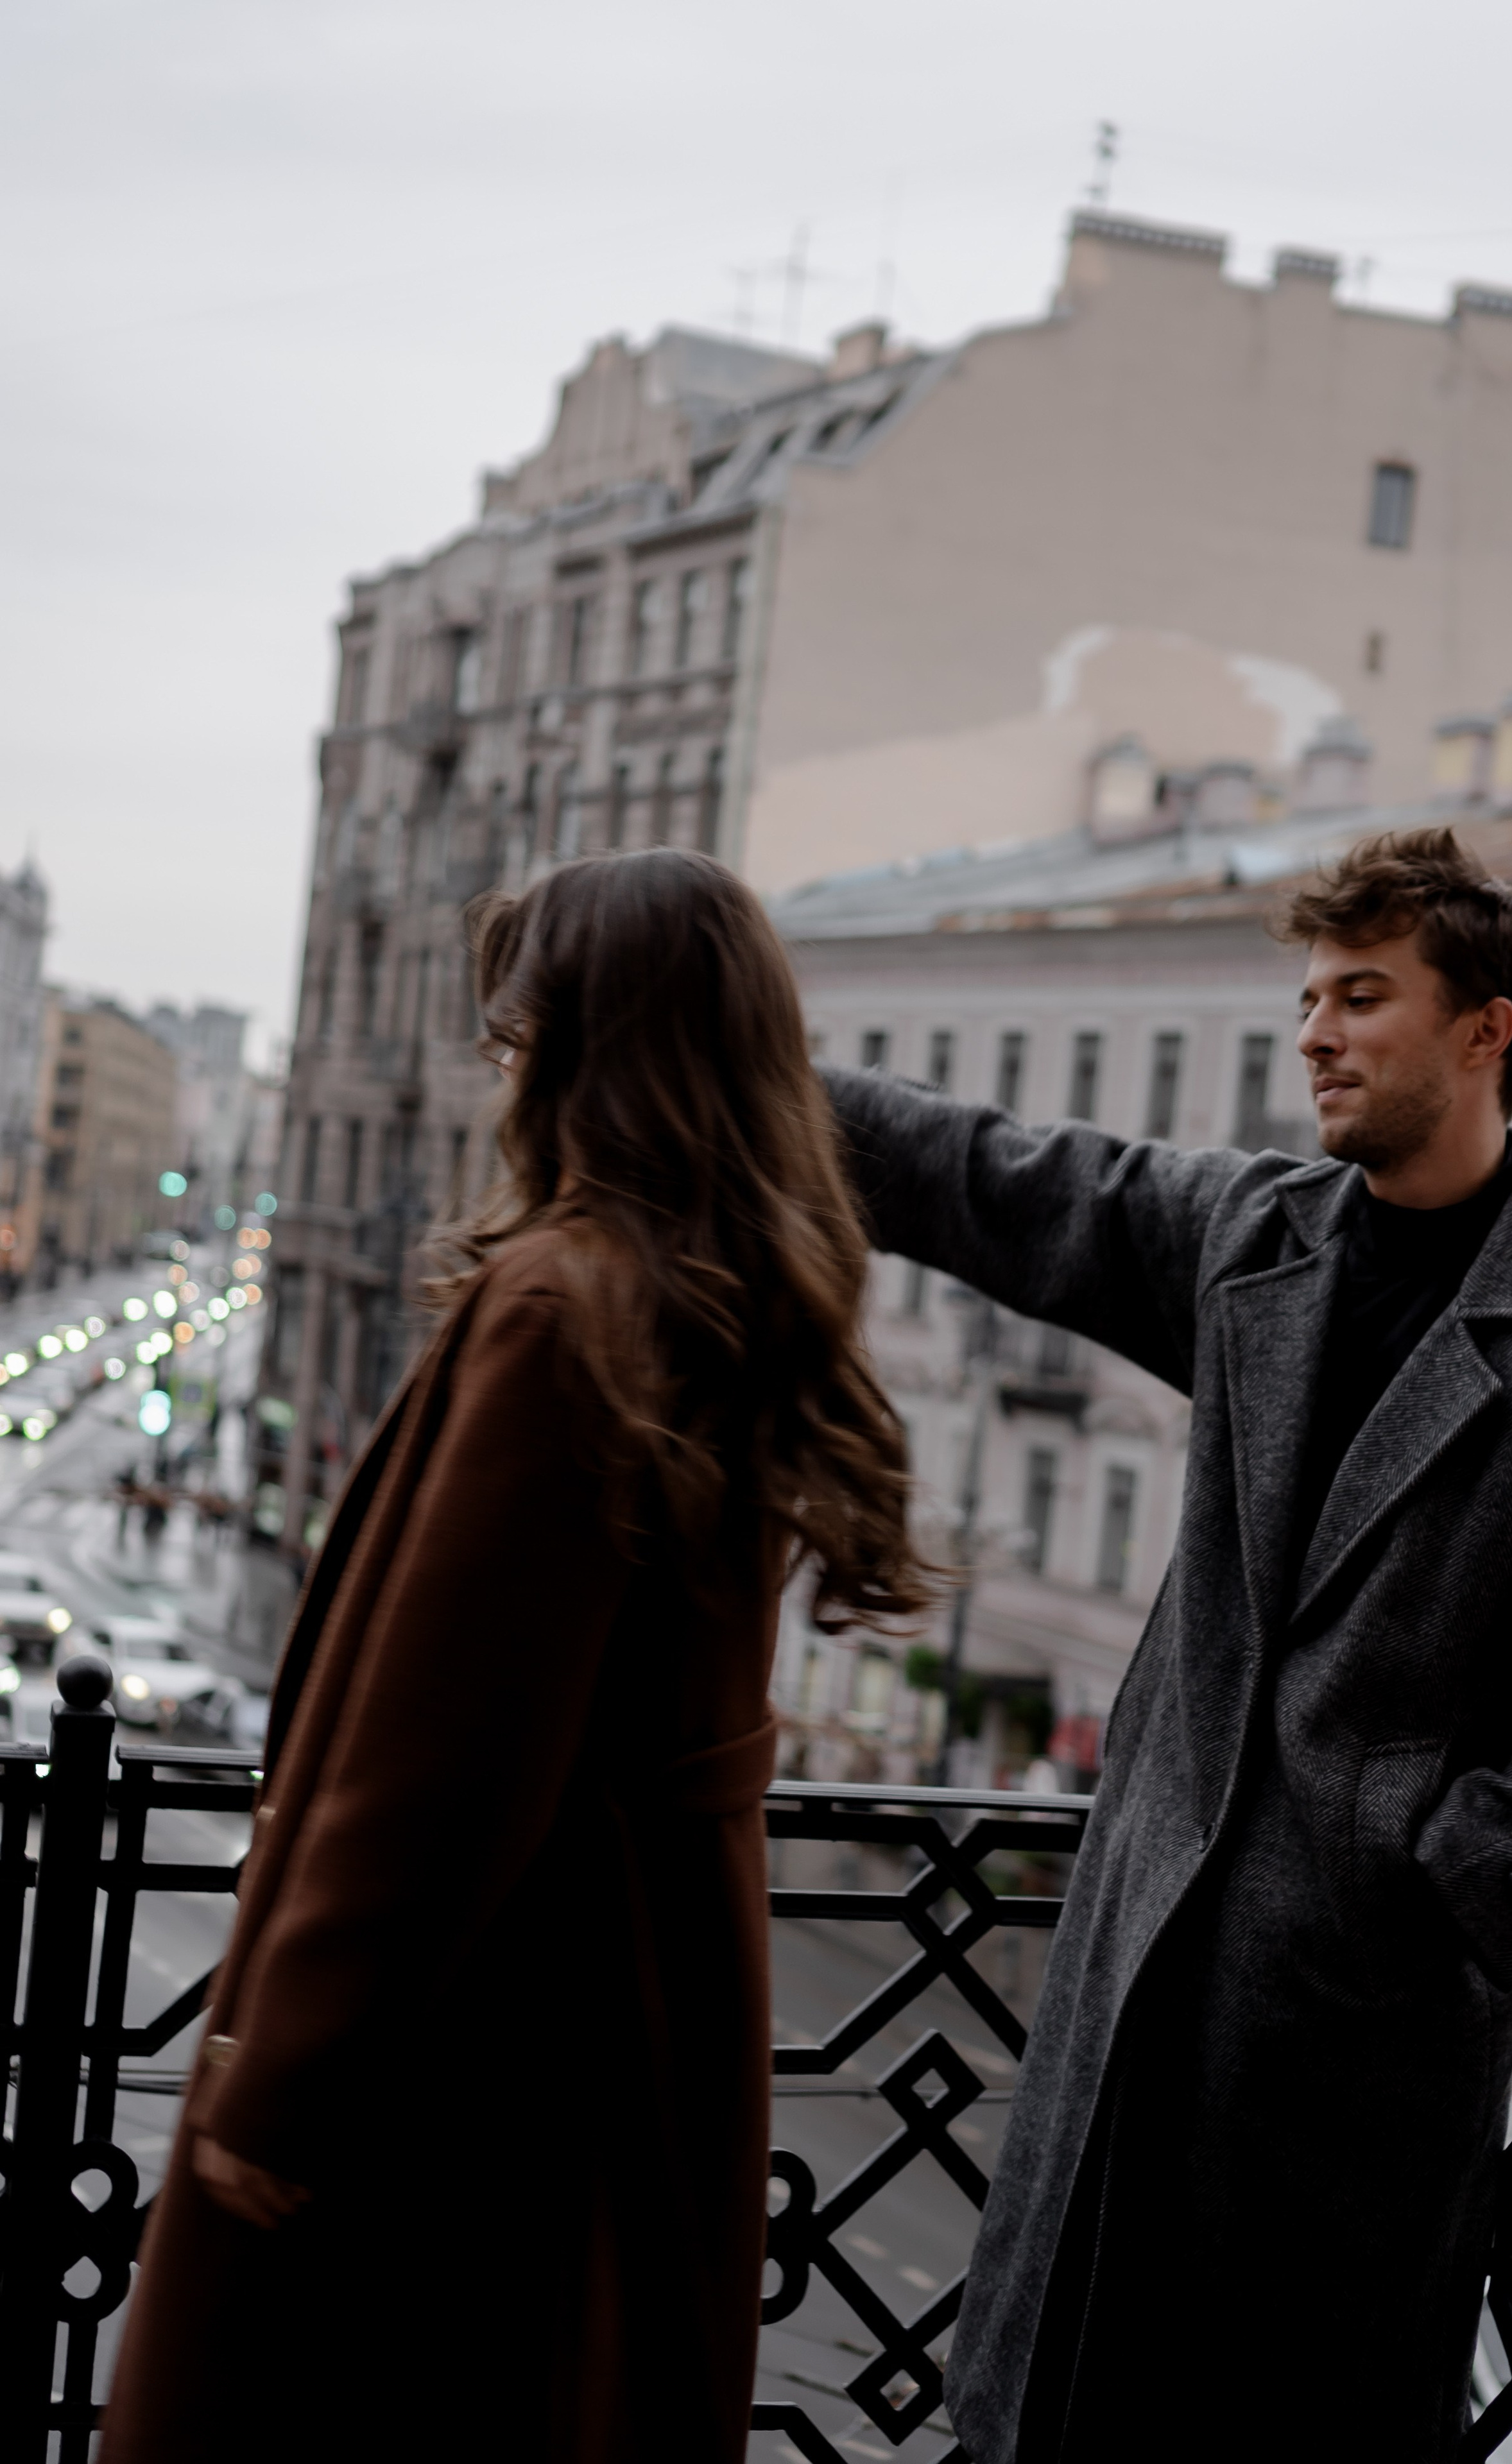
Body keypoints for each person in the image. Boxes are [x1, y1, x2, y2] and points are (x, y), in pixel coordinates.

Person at [821, 827, 1512, 2462]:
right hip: (1135, 1979)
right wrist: (727, 1065)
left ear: (1486, 1031)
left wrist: (1414, 1895)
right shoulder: (1256, 1239)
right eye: (1305, 998)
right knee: (1057, 2402)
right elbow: (995, 1174)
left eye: (1361, 995)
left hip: (1351, 2053)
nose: (1314, 1035)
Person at [101, 848, 929, 2464]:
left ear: (584, 1046)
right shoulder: (733, 1295)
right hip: (640, 2018)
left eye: (517, 1034)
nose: (501, 1074)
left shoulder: (567, 1305)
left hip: (475, 2055)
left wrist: (286, 2084)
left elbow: (435, 1759)